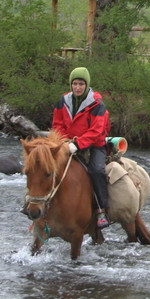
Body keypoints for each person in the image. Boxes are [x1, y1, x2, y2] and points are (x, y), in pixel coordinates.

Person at [52, 66, 111, 229]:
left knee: (96, 171)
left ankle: (101, 209)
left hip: (94, 145)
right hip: (67, 143)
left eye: (81, 84)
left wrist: (76, 144)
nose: (77, 87)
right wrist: (64, 141)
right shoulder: (62, 101)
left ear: (87, 85)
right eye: (75, 84)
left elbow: (96, 131)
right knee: (45, 168)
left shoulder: (98, 104)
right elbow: (57, 124)